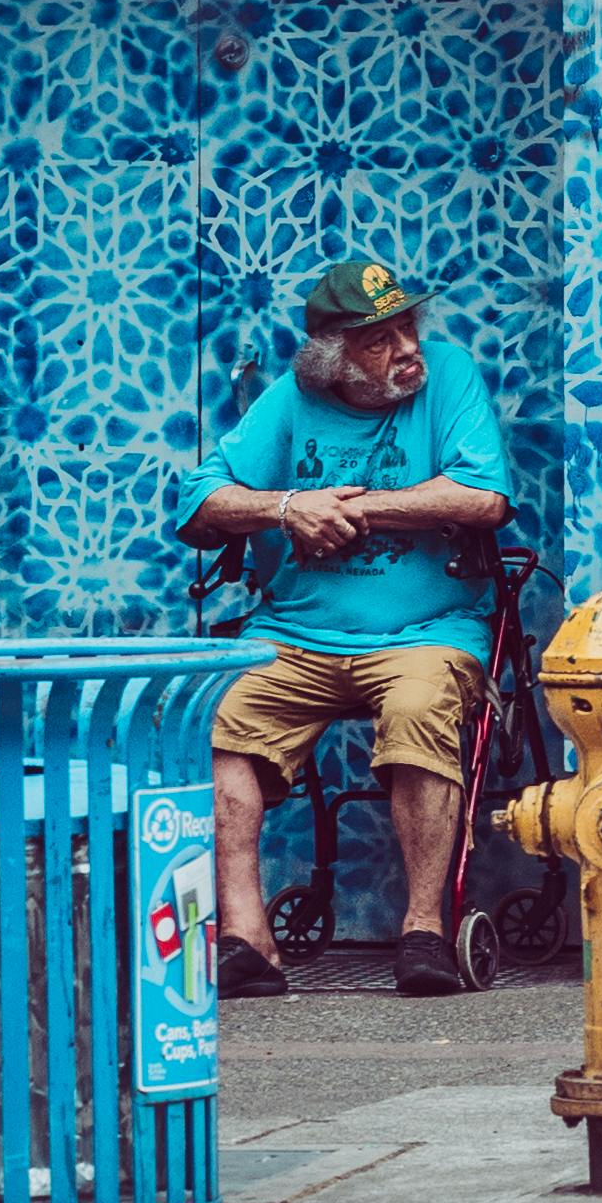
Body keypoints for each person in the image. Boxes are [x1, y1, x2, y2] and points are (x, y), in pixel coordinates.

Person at [182, 254, 517, 997]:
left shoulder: (450, 373)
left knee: (419, 706)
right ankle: (246, 938)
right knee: (212, 715)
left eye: (408, 329)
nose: (406, 351)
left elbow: (482, 497)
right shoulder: (291, 399)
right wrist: (284, 508)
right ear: (333, 360)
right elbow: (198, 502)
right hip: (295, 635)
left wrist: (353, 510)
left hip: (428, 632)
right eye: (380, 341)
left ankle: (424, 931)